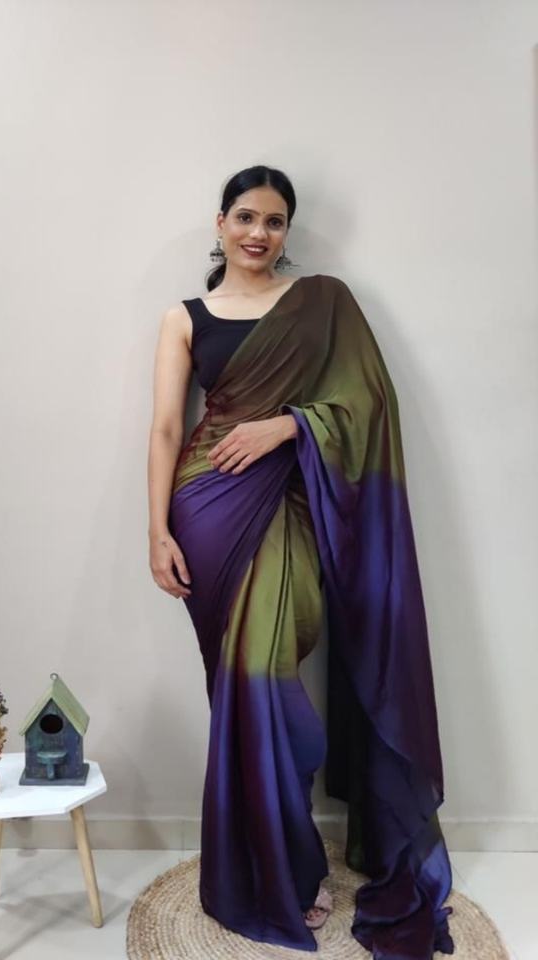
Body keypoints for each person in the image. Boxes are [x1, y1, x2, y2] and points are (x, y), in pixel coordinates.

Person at [146, 165, 455, 958]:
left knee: (269, 686)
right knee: (242, 689)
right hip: (205, 506)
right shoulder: (184, 318)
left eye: (275, 221)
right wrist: (156, 531)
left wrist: (288, 426)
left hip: (291, 504)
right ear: (220, 224)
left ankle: (277, 862)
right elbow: (165, 429)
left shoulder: (323, 302)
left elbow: (369, 401)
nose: (260, 233)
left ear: (287, 231)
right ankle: (278, 869)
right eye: (246, 217)